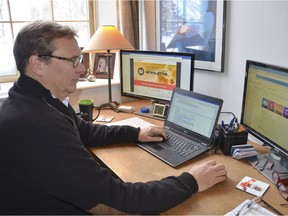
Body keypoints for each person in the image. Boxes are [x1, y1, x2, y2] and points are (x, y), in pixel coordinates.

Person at [0, 21, 227, 215]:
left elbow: (85, 131)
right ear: (37, 64)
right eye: (74, 61)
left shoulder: (36, 100)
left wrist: (135, 133)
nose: (82, 69)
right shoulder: (39, 124)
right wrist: (192, 181)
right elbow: (119, 197)